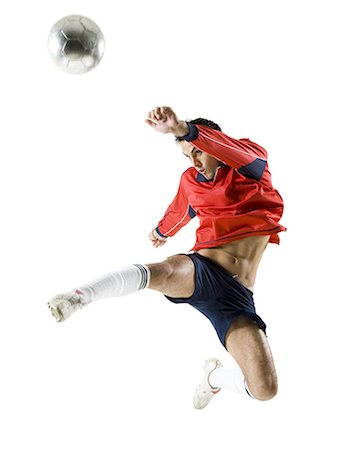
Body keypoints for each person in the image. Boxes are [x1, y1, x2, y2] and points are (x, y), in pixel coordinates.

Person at [48, 106, 286, 409]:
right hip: (205, 270)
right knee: (165, 271)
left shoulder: (251, 164)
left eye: (198, 152)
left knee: (265, 388)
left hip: (238, 297)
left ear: (215, 142)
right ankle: (79, 296)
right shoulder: (192, 180)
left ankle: (213, 379)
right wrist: (161, 231)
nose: (195, 162)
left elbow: (230, 149)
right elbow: (180, 210)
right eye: (188, 156)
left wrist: (183, 129)